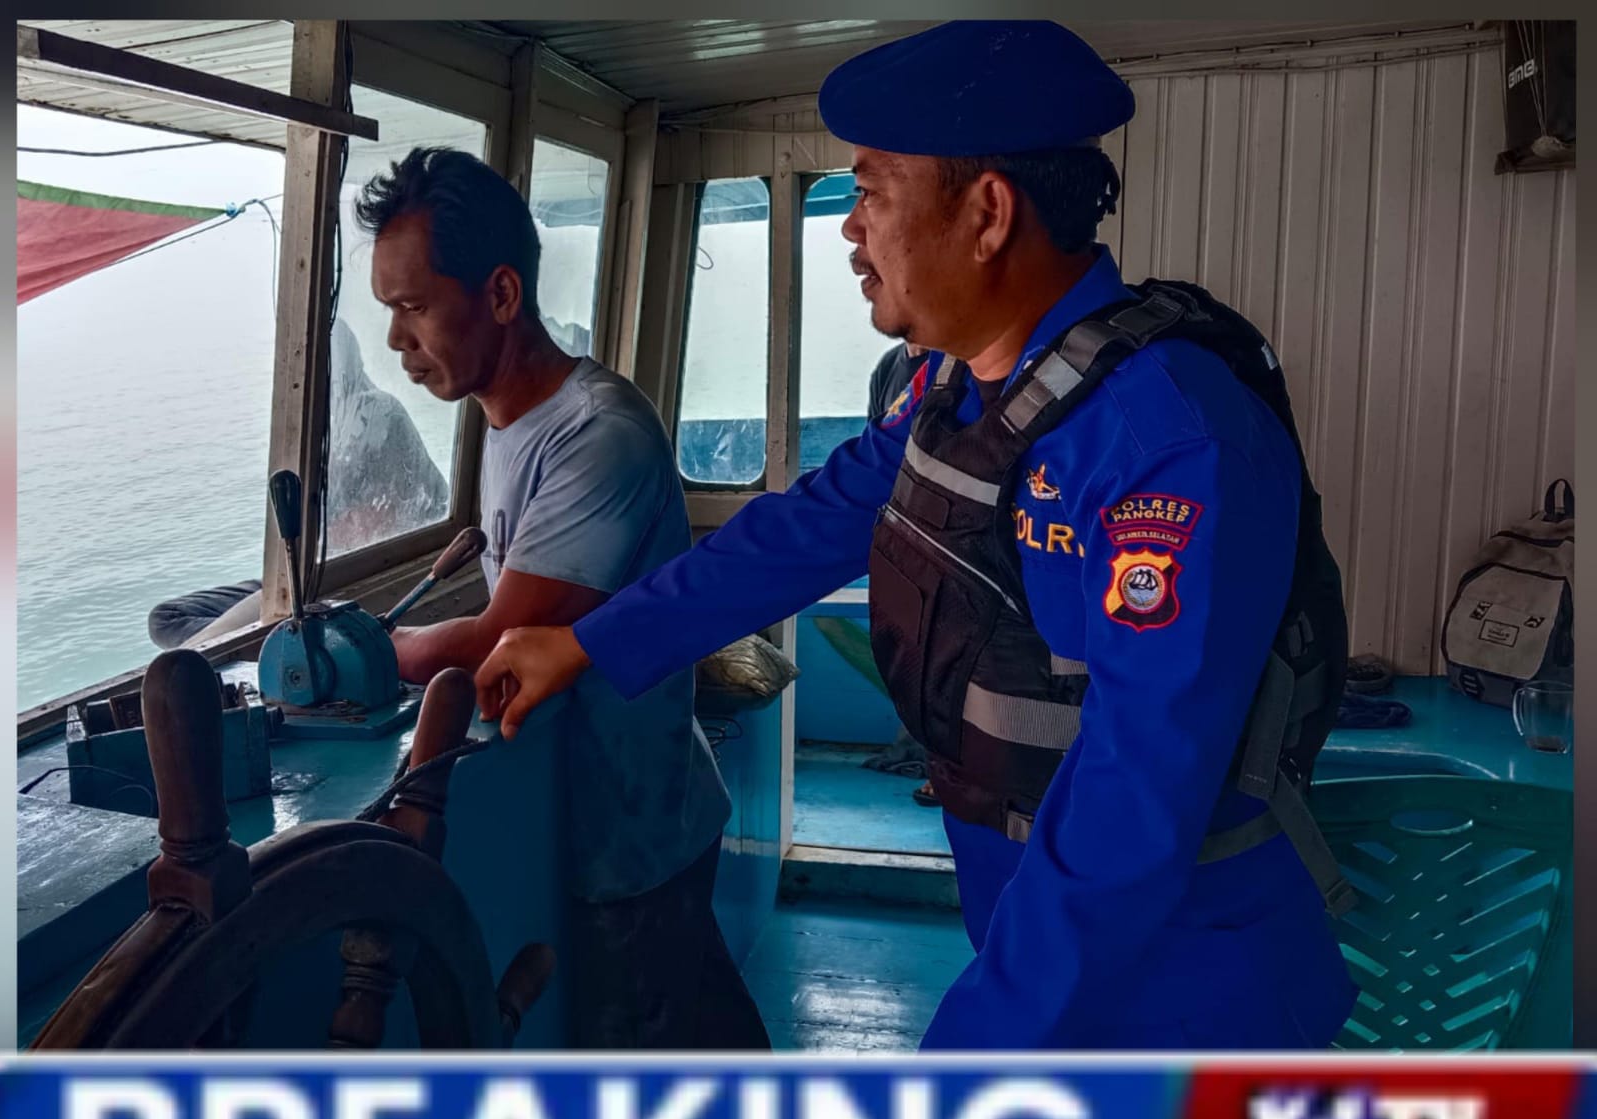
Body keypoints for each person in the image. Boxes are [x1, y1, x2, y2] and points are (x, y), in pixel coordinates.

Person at [472, 21, 1357, 1051]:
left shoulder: (1166, 439)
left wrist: (976, 1047)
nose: (852, 230)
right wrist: (589, 641)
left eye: (871, 191)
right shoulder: (963, 390)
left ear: (987, 214)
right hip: (1037, 950)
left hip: (1182, 998)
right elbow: (812, 522)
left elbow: (1133, 800)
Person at [357, 146, 769, 1052]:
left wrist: (367, 650)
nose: (396, 340)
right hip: (612, 816)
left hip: (637, 834)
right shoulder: (507, 422)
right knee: (701, 1026)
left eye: (414, 306)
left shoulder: (598, 435)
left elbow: (506, 636)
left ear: (502, 294)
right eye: (389, 310)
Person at [147, 319, 450, 649]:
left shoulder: (374, 412)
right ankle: (256, 637)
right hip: (313, 568)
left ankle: (249, 643)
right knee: (166, 618)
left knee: (199, 639)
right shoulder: (333, 422)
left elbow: (337, 511)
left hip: (331, 577)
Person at [863, 340, 940, 807]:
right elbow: (875, 449)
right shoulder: (889, 368)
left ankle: (943, 769)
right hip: (902, 536)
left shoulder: (963, 364)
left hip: (952, 543)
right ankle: (930, 759)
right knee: (913, 661)